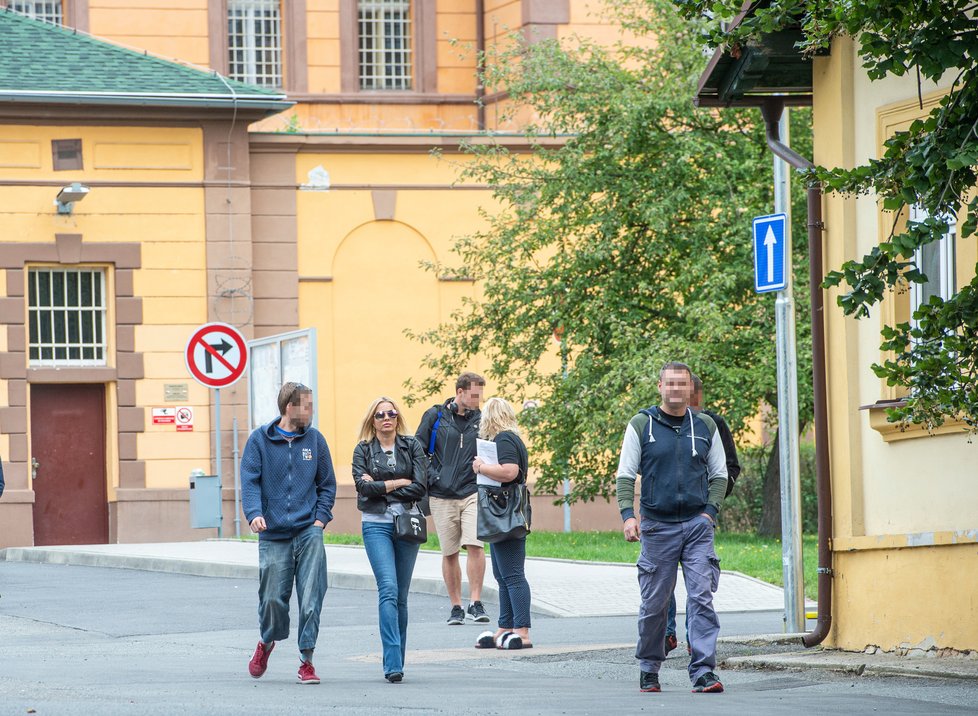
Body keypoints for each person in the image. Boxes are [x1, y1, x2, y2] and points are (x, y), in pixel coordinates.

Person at [616, 362, 728, 694]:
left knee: (702, 598)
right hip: (657, 526)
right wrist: (628, 516)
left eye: (682, 384)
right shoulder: (641, 424)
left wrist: (709, 513)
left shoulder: (706, 425)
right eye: (670, 384)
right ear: (660, 386)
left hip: (697, 525)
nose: (676, 389)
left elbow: (719, 474)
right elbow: (625, 474)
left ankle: (703, 671)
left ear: (690, 389)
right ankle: (649, 668)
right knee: (654, 603)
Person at [241, 382, 337, 685]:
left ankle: (306, 660)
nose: (311, 411)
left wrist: (320, 519)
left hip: (309, 530)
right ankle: (267, 641)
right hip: (272, 533)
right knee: (271, 600)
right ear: (289, 408)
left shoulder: (315, 441)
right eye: (306, 405)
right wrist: (254, 513)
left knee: (311, 597)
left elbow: (327, 484)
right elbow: (250, 482)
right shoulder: (259, 440)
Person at [664, 373, 742, 654]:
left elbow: (729, 468)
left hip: (700, 514)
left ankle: (693, 638)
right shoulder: (658, 423)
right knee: (662, 578)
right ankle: (667, 632)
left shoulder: (712, 424)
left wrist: (712, 506)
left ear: (693, 394)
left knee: (698, 581)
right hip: (662, 515)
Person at [352, 397, 428, 683]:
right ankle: (392, 663)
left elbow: (420, 487)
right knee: (388, 588)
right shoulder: (363, 450)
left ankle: (398, 658)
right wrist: (399, 482)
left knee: (401, 597)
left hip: (407, 524)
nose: (387, 418)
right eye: (381, 414)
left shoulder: (412, 446)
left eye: (392, 413)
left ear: (397, 418)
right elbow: (363, 488)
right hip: (376, 525)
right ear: (373, 420)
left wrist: (380, 487)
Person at [415, 372, 490, 625]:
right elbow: (418, 451)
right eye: (474, 394)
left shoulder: (482, 419)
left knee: (476, 545)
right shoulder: (435, 416)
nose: (479, 399)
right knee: (450, 552)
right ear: (460, 392)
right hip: (440, 494)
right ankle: (456, 606)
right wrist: (433, 477)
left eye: (481, 394)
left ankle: (476, 602)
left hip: (472, 491)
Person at [472, 397, 532, 650]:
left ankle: (522, 631)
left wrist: (482, 467)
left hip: (505, 513)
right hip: (505, 513)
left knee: (513, 575)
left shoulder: (504, 439)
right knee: (502, 574)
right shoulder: (508, 438)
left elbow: (510, 472)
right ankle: (506, 626)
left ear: (490, 417)